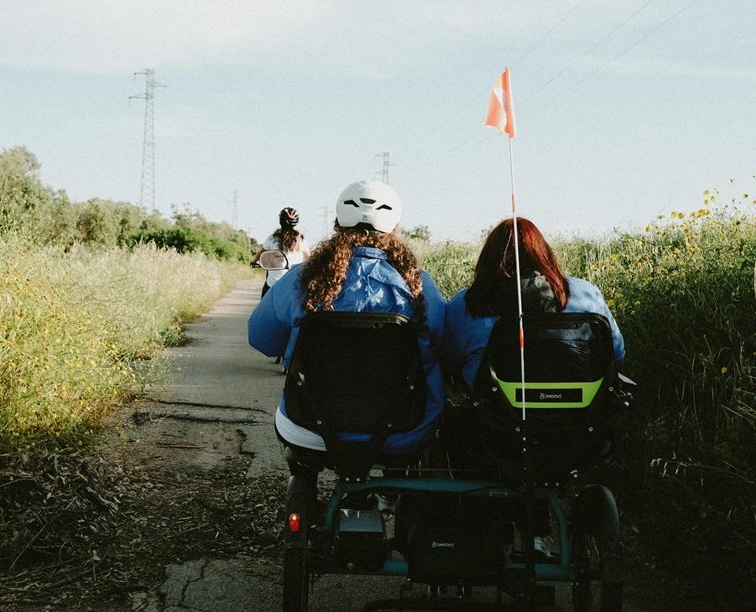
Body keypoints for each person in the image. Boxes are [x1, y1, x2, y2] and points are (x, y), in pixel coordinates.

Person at [248, 180, 446, 466]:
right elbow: (442, 346)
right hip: (404, 427)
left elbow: (261, 338)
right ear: (394, 228)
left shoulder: (302, 279)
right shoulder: (419, 285)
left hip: (308, 426)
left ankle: (304, 484)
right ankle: (391, 495)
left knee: (302, 455)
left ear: (338, 225)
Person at [443, 216, 625, 394]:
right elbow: (616, 353)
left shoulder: (465, 303)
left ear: (488, 258)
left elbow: (450, 363)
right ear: (543, 253)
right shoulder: (585, 294)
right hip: (578, 413)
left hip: (495, 418)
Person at [250, 207, 310, 297]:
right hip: (294, 283)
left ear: (280, 221)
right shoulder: (301, 239)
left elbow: (260, 254)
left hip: (273, 284)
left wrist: (254, 261)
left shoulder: (272, 238)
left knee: (264, 306)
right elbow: (309, 258)